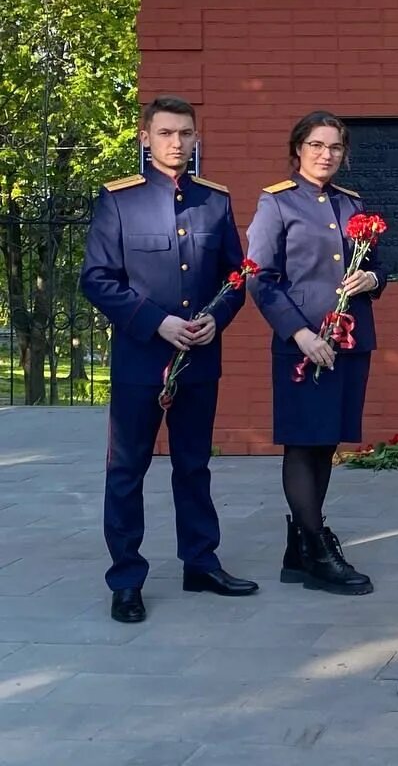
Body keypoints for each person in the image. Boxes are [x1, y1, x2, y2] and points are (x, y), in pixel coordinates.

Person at [80, 95, 259, 624]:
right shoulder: (120, 201)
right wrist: (155, 321)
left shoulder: (215, 201)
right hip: (141, 359)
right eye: (165, 133)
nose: (176, 142)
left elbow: (235, 277)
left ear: (196, 138)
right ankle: (126, 580)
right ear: (145, 138)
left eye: (184, 133)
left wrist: (216, 318)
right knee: (127, 469)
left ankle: (200, 562)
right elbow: (97, 279)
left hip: (200, 360)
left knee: (194, 465)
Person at [246, 110, 384, 595]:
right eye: (317, 145)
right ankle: (317, 549)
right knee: (304, 441)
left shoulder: (352, 204)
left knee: (326, 440)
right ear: (298, 149)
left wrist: (372, 278)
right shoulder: (276, 204)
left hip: (350, 339)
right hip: (303, 344)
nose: (326, 155)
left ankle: (298, 547)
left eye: (335, 148)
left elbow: (378, 266)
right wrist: (299, 334)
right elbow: (259, 277)